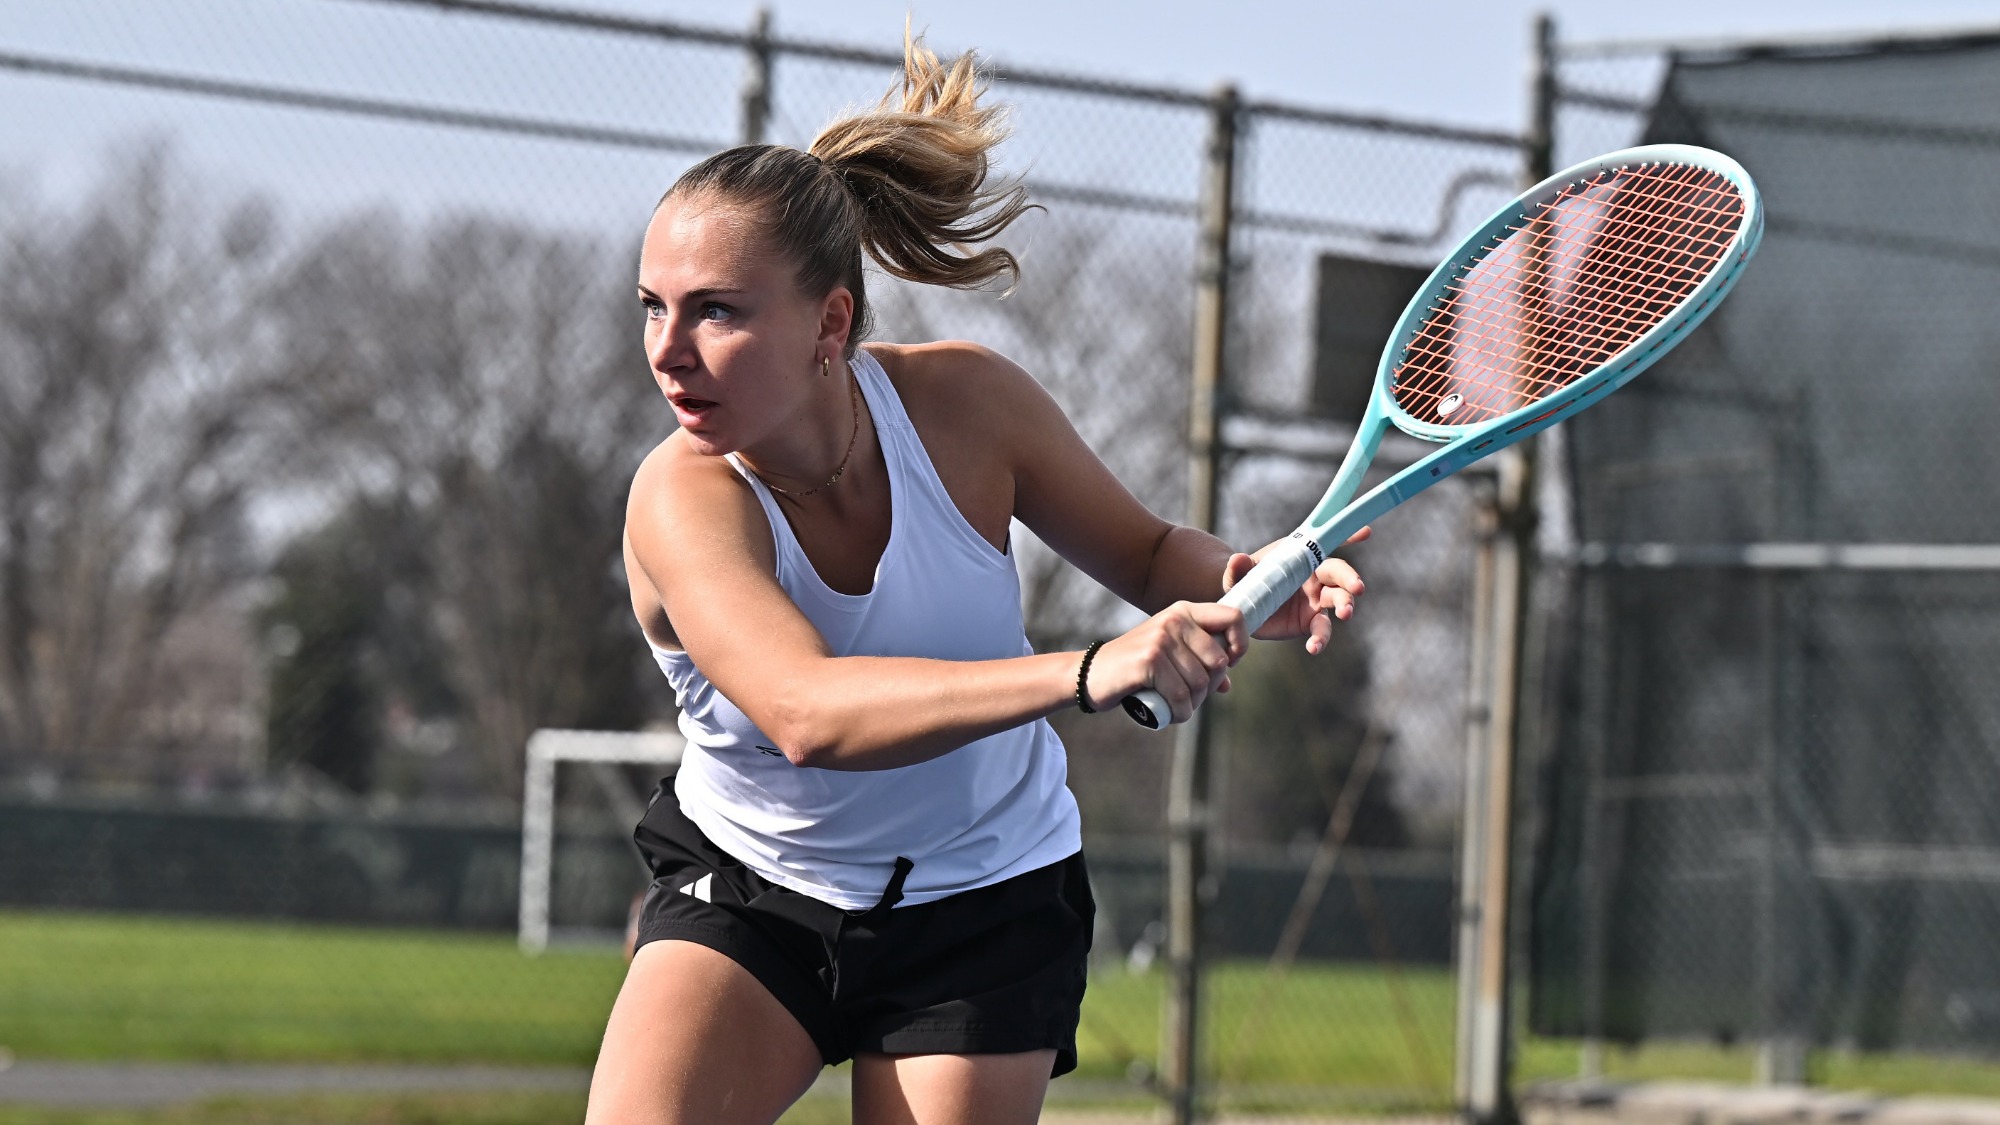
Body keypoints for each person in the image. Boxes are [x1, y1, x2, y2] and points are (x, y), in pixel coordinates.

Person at [588, 33, 1366, 1125]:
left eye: (716, 309)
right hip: (755, 885)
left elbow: (1144, 555)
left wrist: (1239, 580)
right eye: (651, 306)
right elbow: (807, 711)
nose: (668, 349)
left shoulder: (966, 407)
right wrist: (1085, 670)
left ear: (830, 321)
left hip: (983, 898)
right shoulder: (682, 497)